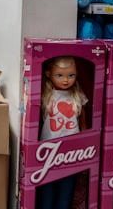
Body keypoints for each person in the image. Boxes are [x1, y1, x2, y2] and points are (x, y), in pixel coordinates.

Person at [37, 56, 88, 209]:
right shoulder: (45, 95)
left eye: (71, 75)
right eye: (59, 75)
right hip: (48, 152)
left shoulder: (77, 96)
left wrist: (85, 149)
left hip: (71, 153)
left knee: (66, 195)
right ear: (48, 74)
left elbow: (83, 125)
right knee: (47, 193)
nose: (66, 80)